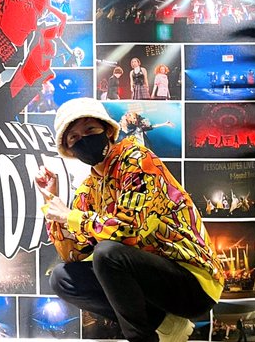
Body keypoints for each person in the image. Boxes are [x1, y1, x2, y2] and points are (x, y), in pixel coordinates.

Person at [37, 97, 224, 342]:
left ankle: (140, 338)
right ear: (69, 150)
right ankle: (165, 324)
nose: (83, 140)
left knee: (107, 253)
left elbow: (128, 231)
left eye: (90, 130)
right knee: (63, 278)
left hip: (192, 283)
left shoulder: (136, 159)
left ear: (108, 131)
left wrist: (70, 216)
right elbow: (73, 254)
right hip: (152, 283)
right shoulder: (88, 189)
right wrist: (52, 200)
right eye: (74, 138)